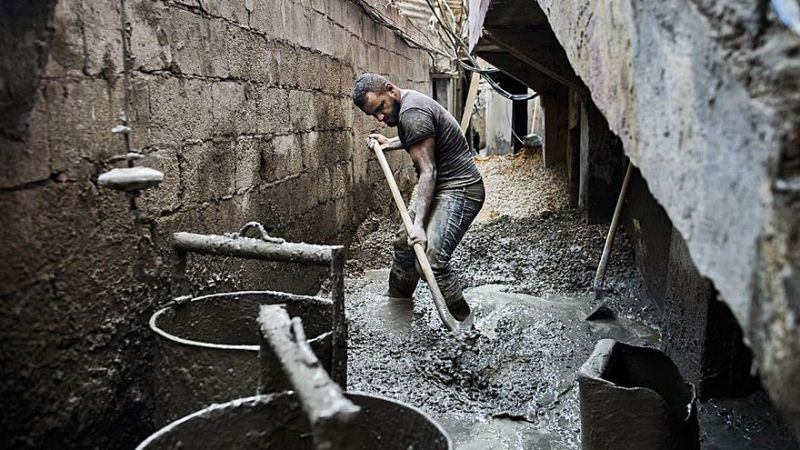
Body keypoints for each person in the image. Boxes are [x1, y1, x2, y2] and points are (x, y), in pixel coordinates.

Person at [352, 73, 484, 321]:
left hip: (461, 189)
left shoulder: (412, 113)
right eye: (373, 115)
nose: (380, 117)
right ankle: (398, 307)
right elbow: (422, 138)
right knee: (404, 244)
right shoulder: (408, 104)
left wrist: (420, 226)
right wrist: (390, 142)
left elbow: (428, 171)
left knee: (432, 260)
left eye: (380, 108)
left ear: (390, 90)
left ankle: (463, 324)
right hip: (441, 187)